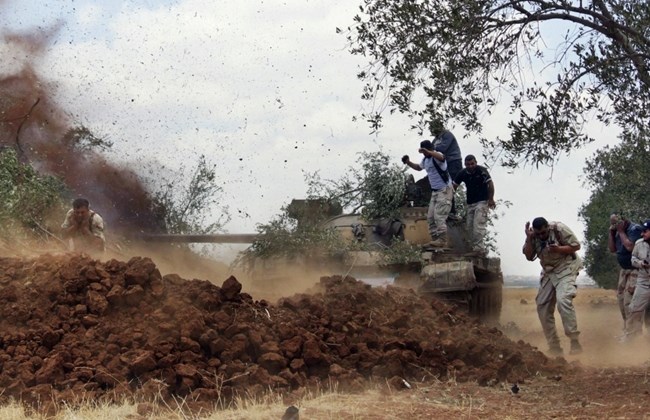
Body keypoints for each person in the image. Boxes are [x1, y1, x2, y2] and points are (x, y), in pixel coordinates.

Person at [523, 217, 583, 355]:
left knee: (563, 301)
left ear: (547, 228)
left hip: (566, 268)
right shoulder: (533, 236)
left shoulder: (559, 229)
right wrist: (528, 238)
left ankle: (574, 341)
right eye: (538, 234)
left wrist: (559, 249)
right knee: (542, 306)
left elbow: (576, 246)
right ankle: (554, 345)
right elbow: (528, 255)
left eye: (543, 233)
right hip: (549, 272)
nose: (541, 236)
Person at [402, 140, 453, 247]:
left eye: (426, 150)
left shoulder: (437, 156)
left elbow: (442, 158)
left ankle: (442, 240)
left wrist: (429, 152)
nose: (424, 152)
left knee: (439, 216)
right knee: (430, 217)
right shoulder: (426, 160)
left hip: (444, 190)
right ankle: (435, 240)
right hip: (435, 192)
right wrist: (408, 162)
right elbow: (418, 168)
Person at [608, 213, 643, 333]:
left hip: (636, 270)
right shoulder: (617, 231)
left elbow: (630, 247)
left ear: (624, 220)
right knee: (621, 300)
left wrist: (621, 232)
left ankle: (634, 333)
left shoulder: (635, 229)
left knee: (630, 301)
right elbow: (612, 249)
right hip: (624, 270)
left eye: (616, 222)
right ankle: (627, 330)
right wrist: (612, 233)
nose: (614, 225)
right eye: (612, 223)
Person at [453, 155, 495, 254]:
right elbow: (454, 186)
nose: (471, 166)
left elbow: (490, 184)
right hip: (470, 203)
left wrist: (491, 199)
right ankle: (473, 247)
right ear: (465, 164)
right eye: (468, 164)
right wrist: (449, 198)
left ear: (475, 162)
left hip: (482, 201)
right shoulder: (462, 173)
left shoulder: (481, 171)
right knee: (469, 227)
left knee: (478, 225)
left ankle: (479, 248)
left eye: (472, 164)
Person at [430, 120, 462, 219]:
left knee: (450, 186)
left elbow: (442, 148)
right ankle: (443, 210)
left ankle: (452, 212)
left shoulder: (447, 135)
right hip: (444, 165)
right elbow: (430, 149)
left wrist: (431, 149)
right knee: (443, 187)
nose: (432, 130)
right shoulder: (436, 139)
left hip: (453, 162)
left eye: (434, 127)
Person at [625, 220, 650, 340]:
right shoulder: (639, 243)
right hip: (644, 281)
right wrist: (641, 263)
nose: (642, 234)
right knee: (634, 309)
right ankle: (631, 337)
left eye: (645, 231)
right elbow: (633, 258)